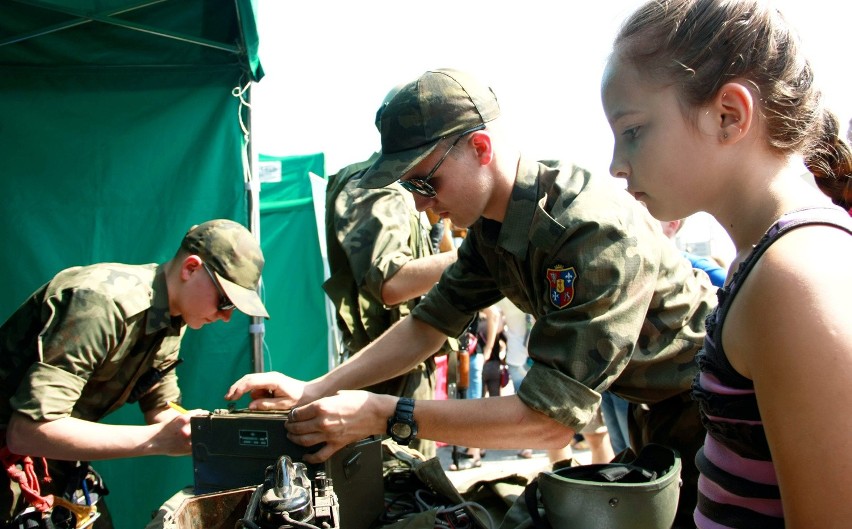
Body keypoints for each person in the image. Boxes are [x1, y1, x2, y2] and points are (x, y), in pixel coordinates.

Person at [225, 68, 717, 526]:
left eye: (424, 180)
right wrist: (316, 389)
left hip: (715, 417)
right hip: (654, 411)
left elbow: (546, 423)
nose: (420, 202)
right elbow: (428, 323)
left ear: (480, 147)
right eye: (408, 186)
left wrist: (383, 415)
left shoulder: (589, 228)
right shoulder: (493, 231)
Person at [602, 1, 852, 526]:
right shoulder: (766, 261)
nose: (616, 165)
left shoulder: (792, 277)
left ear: (728, 115)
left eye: (632, 130)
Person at [1, 219, 269, 529]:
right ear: (191, 268)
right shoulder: (101, 304)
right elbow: (27, 431)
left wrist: (217, 432)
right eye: (225, 300)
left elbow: (160, 409)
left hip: (51, 462)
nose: (225, 316)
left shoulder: (172, 319)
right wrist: (156, 441)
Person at [323, 87, 458, 460]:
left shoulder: (404, 192)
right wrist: (470, 259)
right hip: (386, 376)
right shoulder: (372, 185)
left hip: (405, 366)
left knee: (416, 491)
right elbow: (392, 282)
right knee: (397, 494)